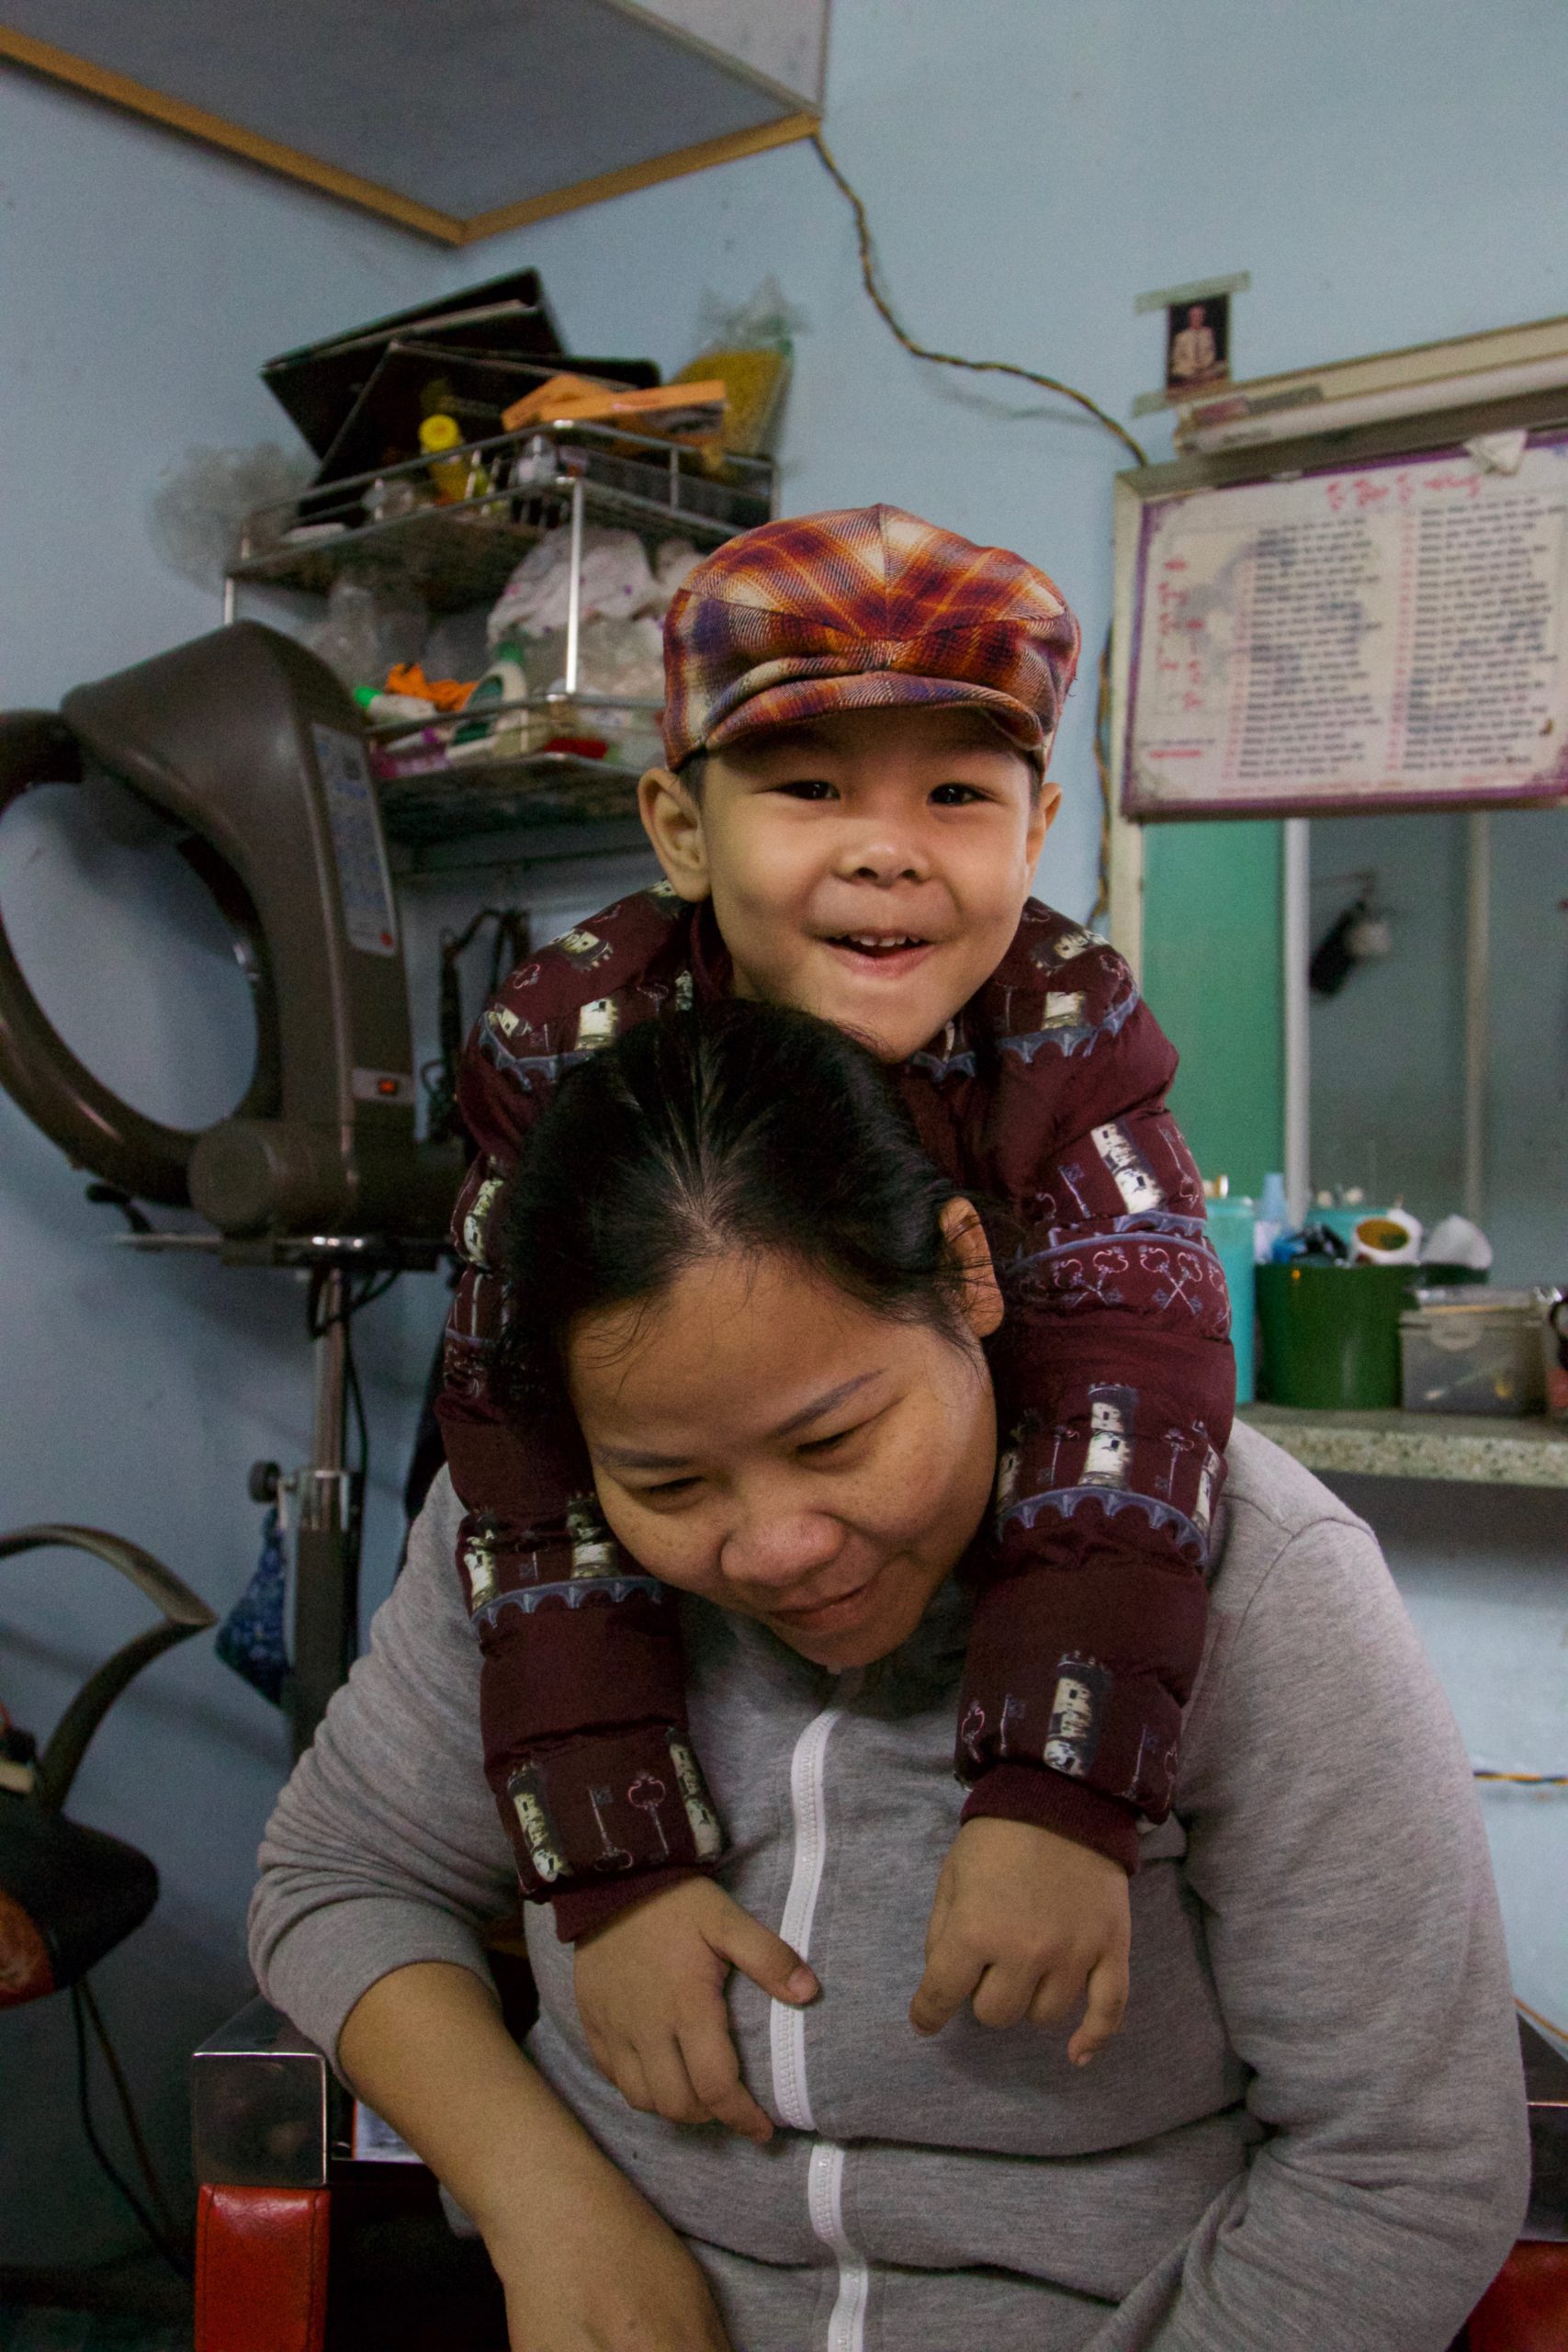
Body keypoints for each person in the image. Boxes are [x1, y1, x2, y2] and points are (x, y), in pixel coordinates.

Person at [251, 1003, 1529, 2352]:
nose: (777, 1549)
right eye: (667, 1482)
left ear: (963, 1275)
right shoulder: (525, 1555)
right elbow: (335, 1880)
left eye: (836, 1439)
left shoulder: (1251, 1580)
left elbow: (1402, 2169)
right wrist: (546, 2203)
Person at [435, 504, 1234, 2099]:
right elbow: (529, 1471)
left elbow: (1127, 1400)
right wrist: (617, 1871)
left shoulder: (1071, 1030)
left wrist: (1052, 1791)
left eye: (956, 793)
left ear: (1038, 828)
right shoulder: (567, 1039)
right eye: (807, 791)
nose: (886, 846)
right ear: (677, 827)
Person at [1168, 303, 1221, 388]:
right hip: (1188, 368)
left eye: (1200, 316)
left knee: (1221, 366)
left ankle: (1200, 378)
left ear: (1203, 318)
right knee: (1177, 371)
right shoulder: (1181, 336)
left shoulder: (1208, 333)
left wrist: (1205, 364)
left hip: (1205, 367)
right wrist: (1193, 365)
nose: (1197, 318)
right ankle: (1194, 380)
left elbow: (1212, 352)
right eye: (1194, 316)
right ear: (1190, 318)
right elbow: (1177, 358)